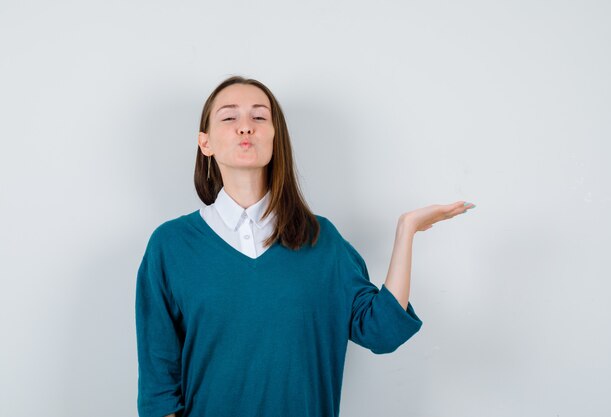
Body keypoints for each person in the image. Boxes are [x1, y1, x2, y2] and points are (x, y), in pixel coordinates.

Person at [135, 75, 476, 417]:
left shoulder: (321, 240)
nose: (245, 127)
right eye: (229, 117)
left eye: (259, 117)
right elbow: (159, 390)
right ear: (205, 142)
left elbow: (382, 331)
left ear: (275, 137)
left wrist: (406, 231)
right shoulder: (171, 247)